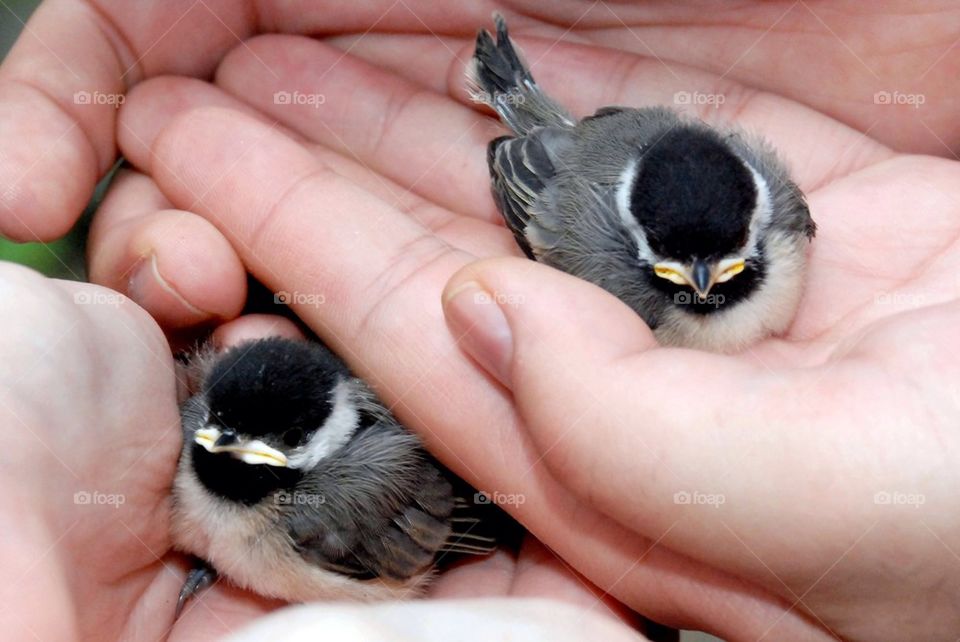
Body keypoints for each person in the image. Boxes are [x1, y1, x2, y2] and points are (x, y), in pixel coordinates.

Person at [1, 2, 959, 640]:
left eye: (729, 268)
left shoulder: (781, 214)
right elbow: (533, 177)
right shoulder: (594, 253)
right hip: (564, 150)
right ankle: (509, 88)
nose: (702, 288)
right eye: (677, 271)